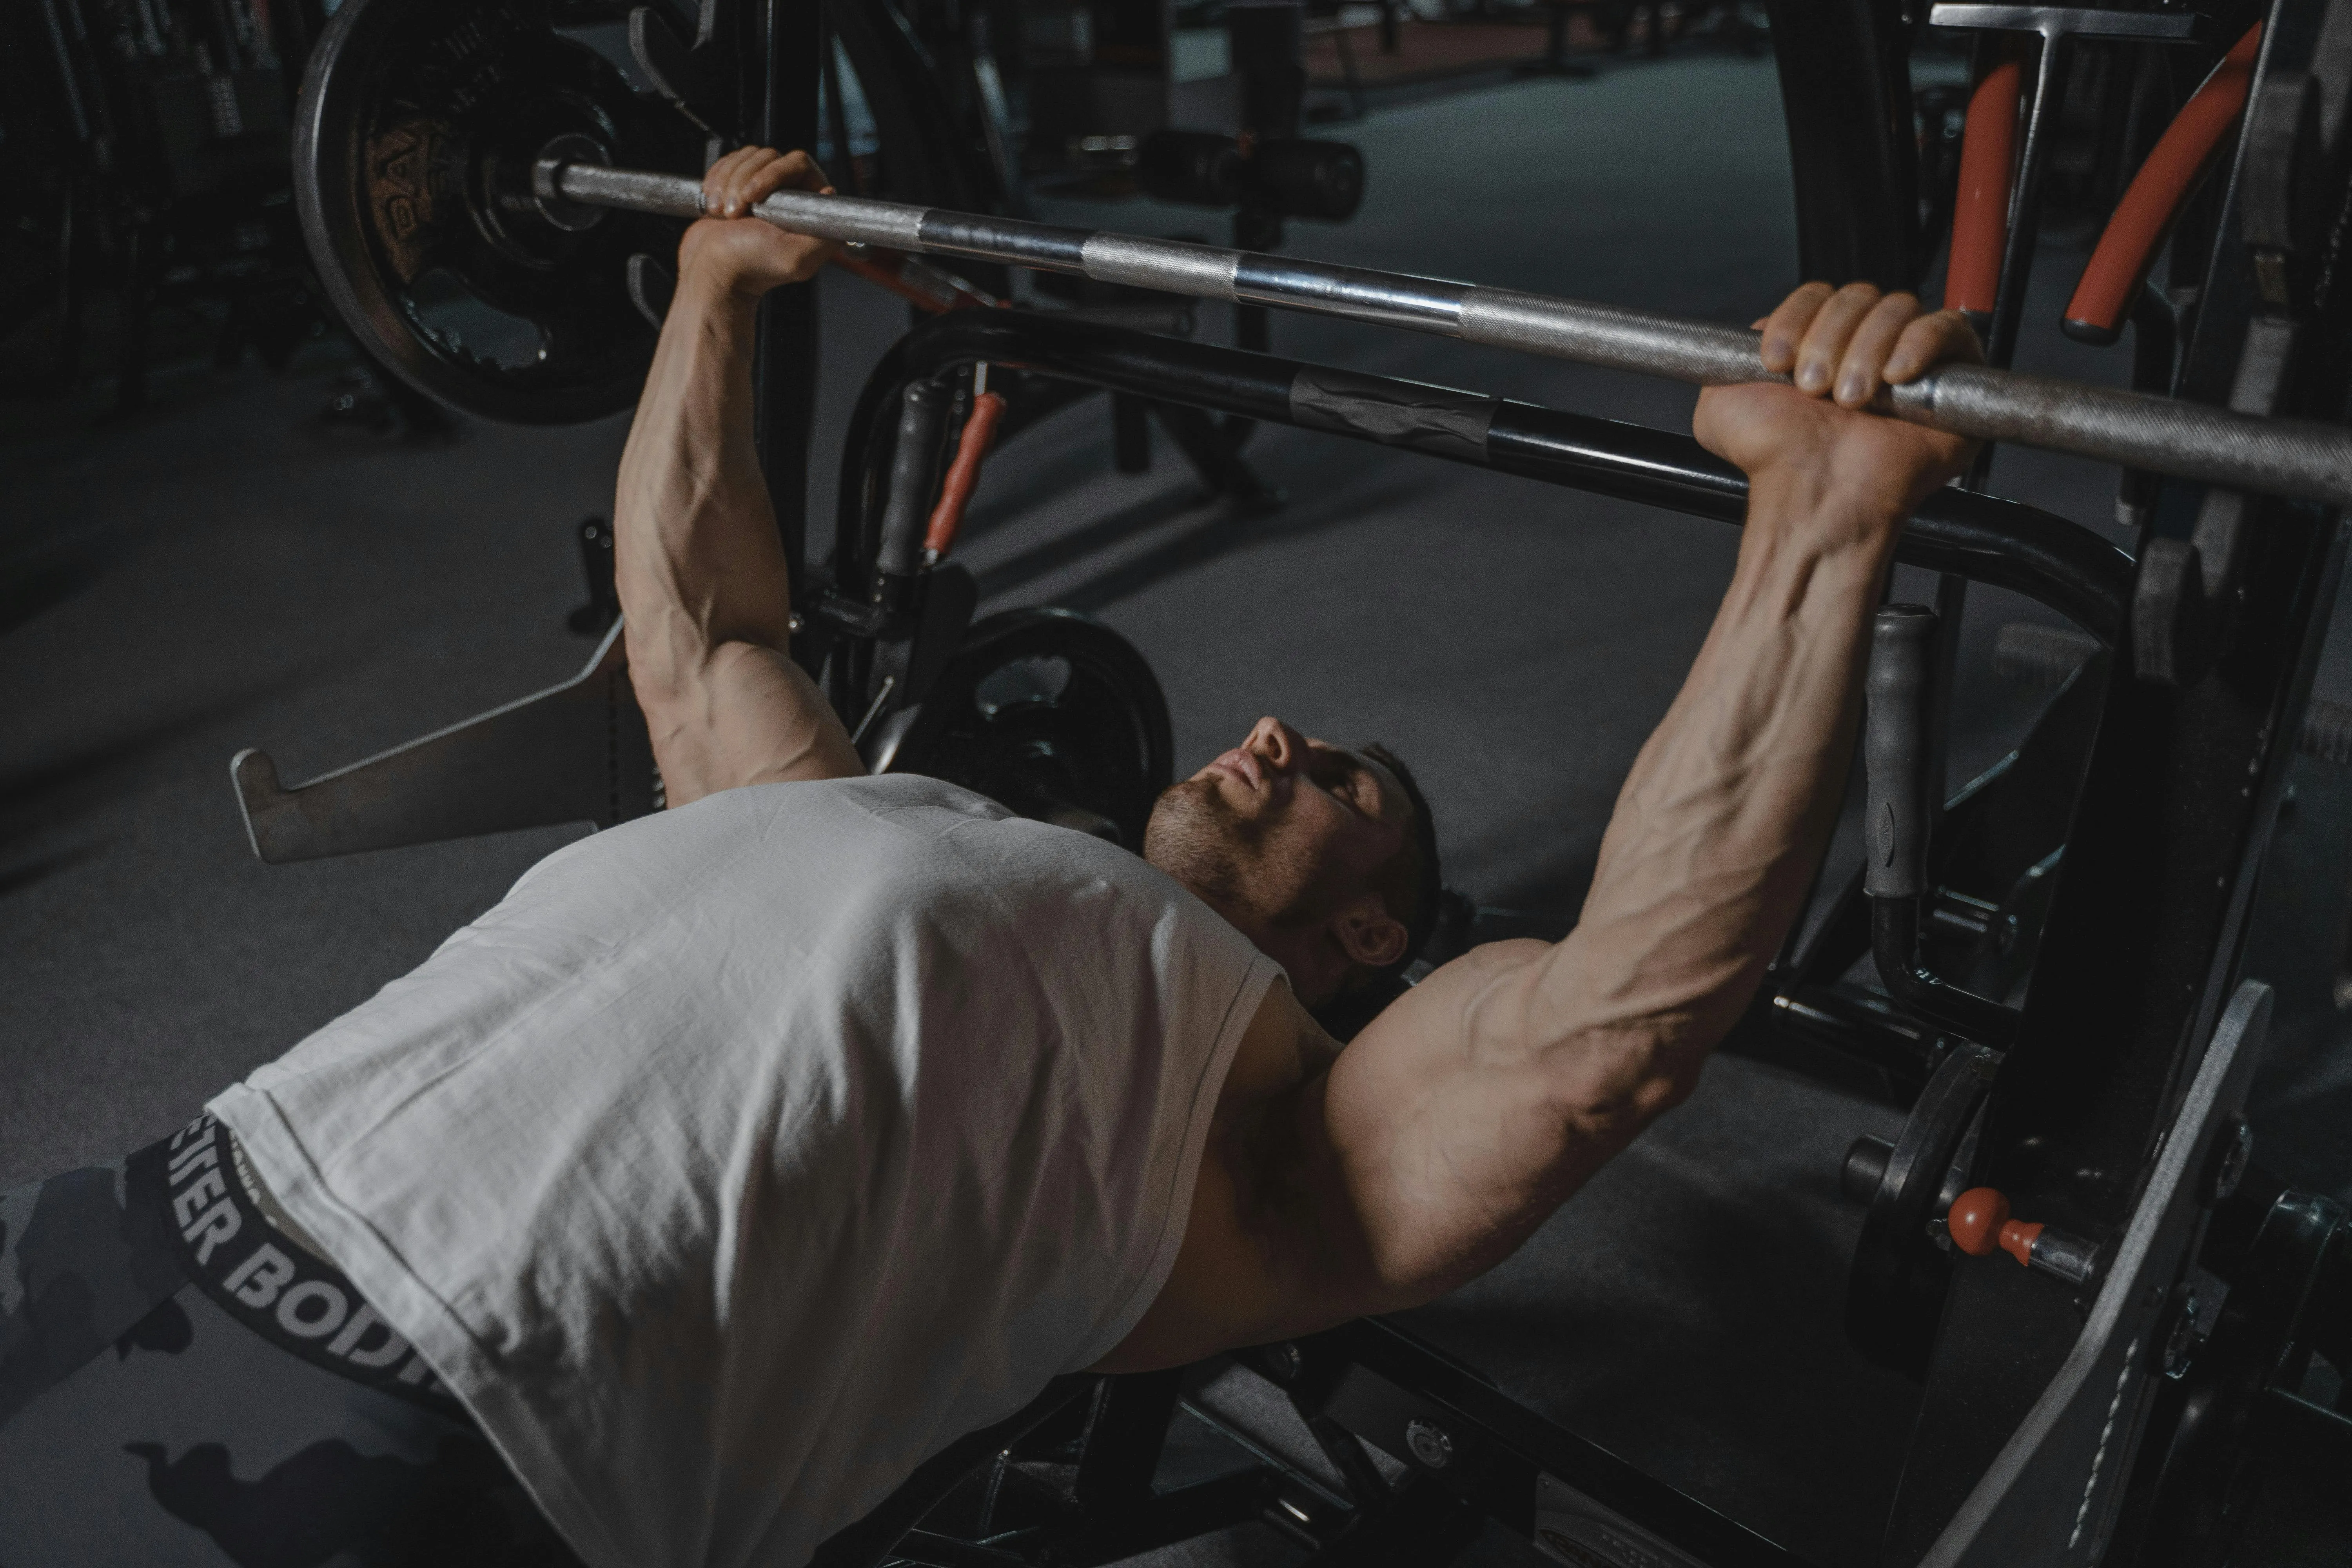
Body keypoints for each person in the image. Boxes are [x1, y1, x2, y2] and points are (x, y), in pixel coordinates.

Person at [0, 146, 1982, 1568]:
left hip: (451, 1433)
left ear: (1373, 935)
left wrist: (1818, 521)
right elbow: (698, 630)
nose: (1273, 735)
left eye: (1341, 779)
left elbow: (1612, 1031)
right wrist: (715, 288)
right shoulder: (860, 808)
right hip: (165, 1200)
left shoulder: (1257, 1146)